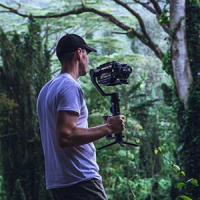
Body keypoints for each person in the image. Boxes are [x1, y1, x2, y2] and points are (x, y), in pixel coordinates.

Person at [37, 33, 125, 200]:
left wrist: (101, 128)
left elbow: (62, 131)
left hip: (59, 183)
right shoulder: (70, 86)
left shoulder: (46, 89)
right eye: (87, 54)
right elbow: (66, 136)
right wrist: (109, 128)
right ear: (79, 53)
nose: (87, 60)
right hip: (80, 179)